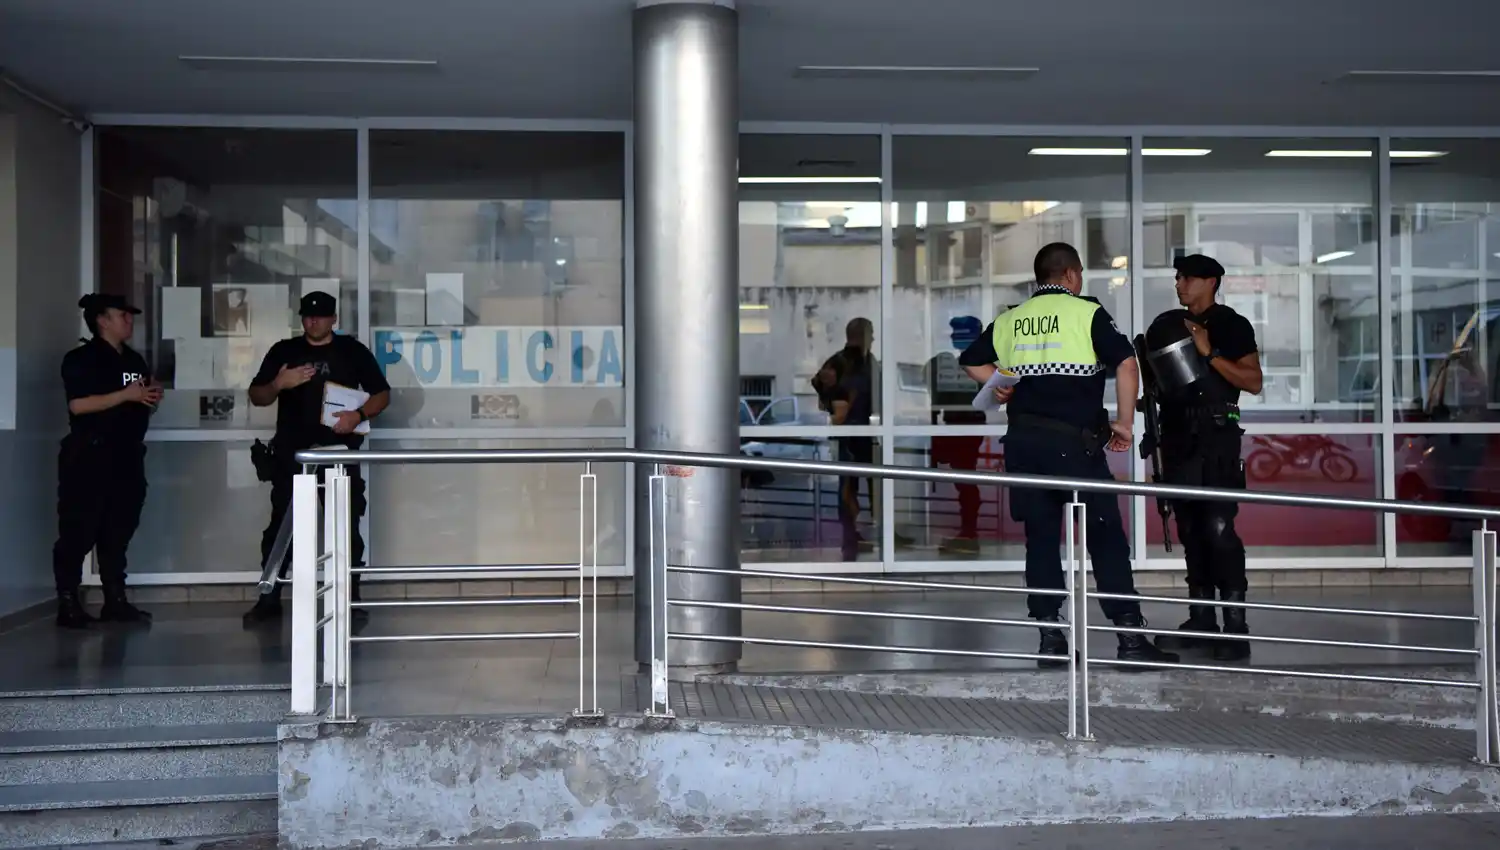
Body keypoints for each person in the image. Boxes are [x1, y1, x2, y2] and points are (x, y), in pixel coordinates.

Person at [960, 243, 1177, 668]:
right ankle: (1130, 638)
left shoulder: (1011, 319)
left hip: (1024, 446)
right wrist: (1125, 425)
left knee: (1040, 539)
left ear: (1039, 277)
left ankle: (1050, 638)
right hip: (1074, 446)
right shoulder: (1086, 313)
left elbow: (972, 362)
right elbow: (1126, 364)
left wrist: (1004, 387)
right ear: (1073, 275)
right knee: (1105, 537)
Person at [242, 291, 390, 626]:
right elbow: (258, 395)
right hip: (292, 454)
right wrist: (279, 383)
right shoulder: (285, 351)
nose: (314, 321)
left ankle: (349, 599)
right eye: (308, 316)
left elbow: (382, 393)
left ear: (333, 319)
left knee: (346, 528)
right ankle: (269, 598)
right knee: (282, 528)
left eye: (321, 316)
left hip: (338, 453)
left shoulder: (351, 351)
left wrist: (358, 414)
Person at [1146, 254, 1263, 662]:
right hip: (1177, 438)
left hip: (1216, 437)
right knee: (1191, 530)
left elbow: (1253, 381)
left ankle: (1235, 626)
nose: (1179, 283)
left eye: (1188, 278)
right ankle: (1202, 619)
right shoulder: (1169, 324)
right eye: (1177, 276)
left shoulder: (1231, 324)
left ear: (1211, 281)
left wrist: (1209, 353)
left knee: (1217, 527)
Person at [53, 293, 162, 628]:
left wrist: (149, 398)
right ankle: (68, 602)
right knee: (80, 529)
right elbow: (78, 406)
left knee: (118, 530)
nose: (129, 321)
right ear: (102, 319)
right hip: (89, 456)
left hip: (126, 456)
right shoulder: (81, 359)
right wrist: (125, 396)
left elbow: (140, 400)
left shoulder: (133, 361)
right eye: (123, 315)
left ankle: (115, 601)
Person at [925, 316, 987, 555]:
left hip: (966, 427)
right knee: (964, 480)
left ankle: (969, 533)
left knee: (966, 481)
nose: (952, 337)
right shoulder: (957, 362)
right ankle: (968, 532)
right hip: (957, 426)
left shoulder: (976, 362)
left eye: (957, 333)